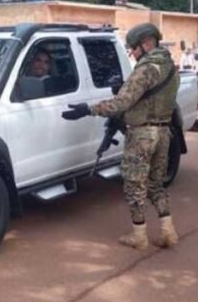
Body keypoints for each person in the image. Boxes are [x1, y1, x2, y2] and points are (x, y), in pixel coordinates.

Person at [61, 23, 180, 249]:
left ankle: (139, 236)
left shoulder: (146, 69)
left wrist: (88, 109)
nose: (133, 54)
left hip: (142, 135)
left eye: (134, 49)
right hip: (163, 132)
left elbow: (121, 103)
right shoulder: (171, 68)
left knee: (134, 185)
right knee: (156, 184)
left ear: (146, 44)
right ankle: (167, 231)